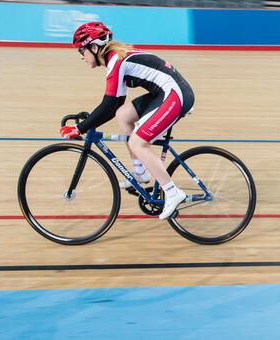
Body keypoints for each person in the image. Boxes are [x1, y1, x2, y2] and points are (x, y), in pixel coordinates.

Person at [59, 21, 195, 220]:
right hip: (165, 92)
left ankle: (173, 192)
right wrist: (88, 124)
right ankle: (140, 173)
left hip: (175, 94)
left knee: (137, 142)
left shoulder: (116, 61)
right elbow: (114, 105)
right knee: (123, 115)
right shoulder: (115, 59)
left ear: (94, 47)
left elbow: (107, 104)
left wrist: (79, 128)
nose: (81, 57)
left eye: (82, 51)